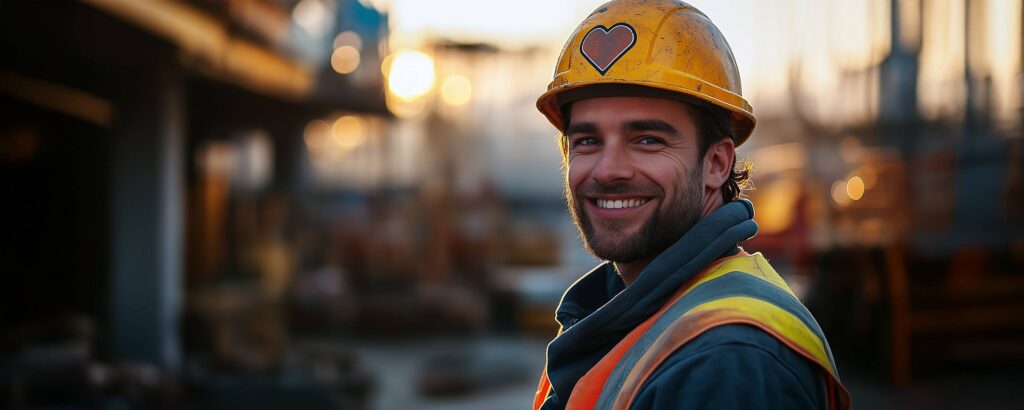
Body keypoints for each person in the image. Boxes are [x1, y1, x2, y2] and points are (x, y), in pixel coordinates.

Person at [530, 1, 851, 409]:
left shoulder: (727, 361)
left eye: (647, 139)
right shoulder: (639, 309)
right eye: (587, 141)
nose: (608, 170)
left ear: (717, 164)